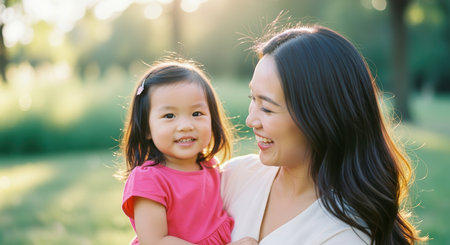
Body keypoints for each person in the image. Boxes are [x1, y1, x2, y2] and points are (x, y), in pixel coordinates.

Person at [221, 24, 427, 244]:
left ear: (320, 117)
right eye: (253, 99)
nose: (250, 120)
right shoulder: (234, 176)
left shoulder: (345, 235)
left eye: (267, 108)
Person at [118, 59, 234, 245]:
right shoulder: (149, 180)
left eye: (197, 113)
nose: (186, 126)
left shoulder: (210, 166)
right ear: (147, 128)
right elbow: (155, 241)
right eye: (169, 116)